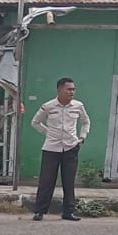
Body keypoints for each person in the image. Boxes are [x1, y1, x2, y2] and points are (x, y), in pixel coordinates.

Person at [30, 76, 89, 221]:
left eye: (73, 89)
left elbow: (86, 122)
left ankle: (69, 212)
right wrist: (48, 132)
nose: (72, 92)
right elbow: (35, 122)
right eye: (69, 89)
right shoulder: (48, 106)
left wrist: (82, 137)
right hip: (51, 148)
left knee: (69, 182)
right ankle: (40, 211)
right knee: (46, 181)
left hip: (71, 147)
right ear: (59, 90)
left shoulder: (78, 106)